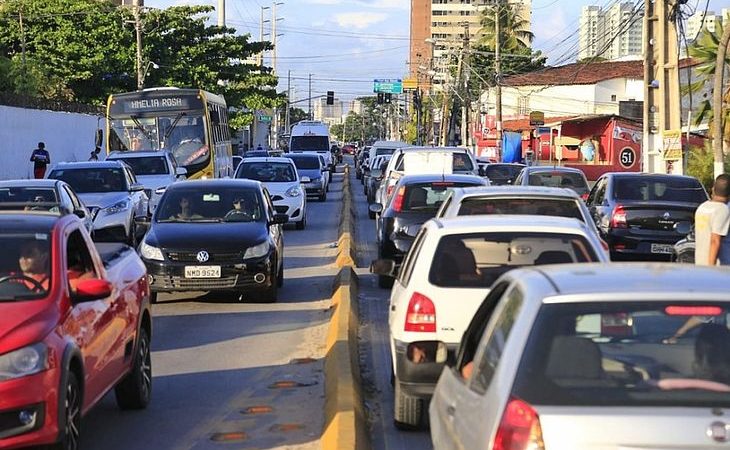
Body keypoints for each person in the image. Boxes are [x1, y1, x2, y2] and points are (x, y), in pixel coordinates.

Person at [694, 174, 730, 266]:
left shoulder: (703, 207)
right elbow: (715, 241)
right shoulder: (722, 210)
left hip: (700, 262)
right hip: (719, 267)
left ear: (713, 189)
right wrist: (712, 269)